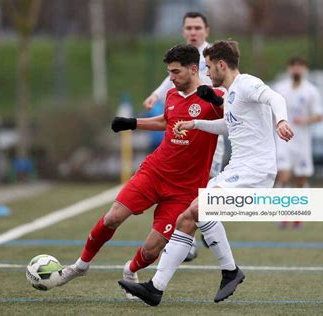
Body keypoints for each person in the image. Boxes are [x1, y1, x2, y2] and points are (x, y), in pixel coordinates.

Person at [119, 40, 294, 306]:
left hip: (254, 170)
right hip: (236, 168)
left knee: (197, 209)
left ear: (222, 64)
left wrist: (281, 120)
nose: (207, 73)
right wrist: (195, 123)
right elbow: (229, 125)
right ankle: (156, 288)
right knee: (187, 218)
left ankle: (230, 271)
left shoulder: (246, 84)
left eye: (210, 67)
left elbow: (275, 97)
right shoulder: (232, 94)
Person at [44, 45, 224, 297]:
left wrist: (219, 101)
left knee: (152, 250)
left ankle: (130, 269)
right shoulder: (172, 95)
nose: (170, 78)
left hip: (185, 189)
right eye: (169, 72)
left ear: (194, 69)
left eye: (175, 72)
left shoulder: (214, 98)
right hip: (155, 171)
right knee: (112, 218)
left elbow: (235, 118)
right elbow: (166, 121)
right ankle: (80, 266)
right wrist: (132, 123)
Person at [143, 11, 228, 259]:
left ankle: (201, 228)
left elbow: (229, 83)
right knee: (187, 187)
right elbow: (169, 80)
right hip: (185, 131)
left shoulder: (214, 56)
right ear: (183, 31)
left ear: (206, 31)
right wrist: (156, 96)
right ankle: (188, 238)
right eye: (189, 28)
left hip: (207, 130)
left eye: (197, 28)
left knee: (206, 185)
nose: (193, 32)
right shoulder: (181, 57)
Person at [274, 57, 323, 229]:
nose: (296, 69)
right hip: (283, 141)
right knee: (284, 176)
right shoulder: (280, 89)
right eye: (293, 66)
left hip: (302, 142)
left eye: (300, 67)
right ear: (289, 68)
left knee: (300, 180)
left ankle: (298, 215)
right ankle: (283, 215)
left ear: (305, 69)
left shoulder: (311, 91)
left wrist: (305, 119)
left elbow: (319, 115)